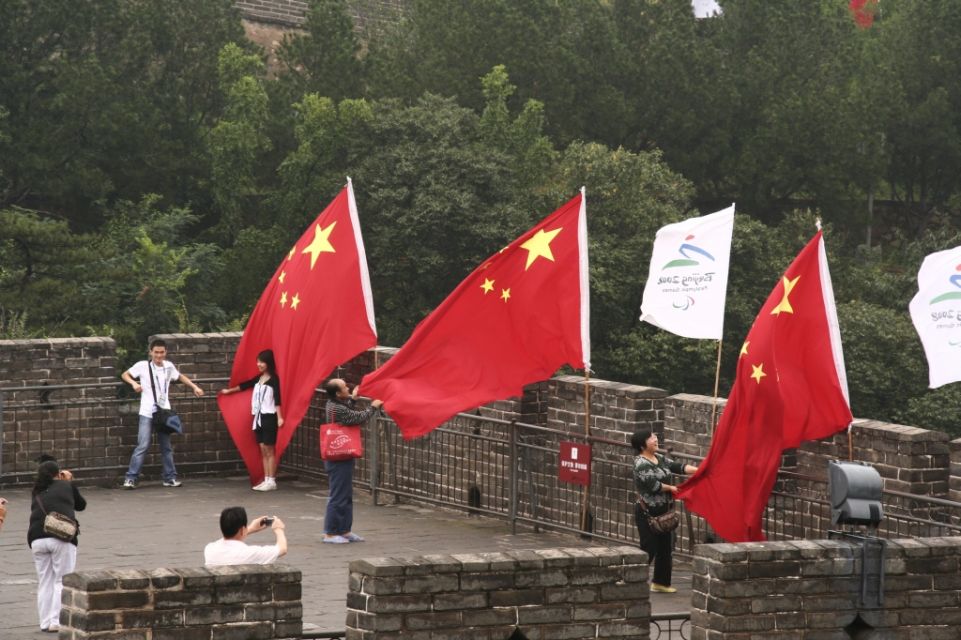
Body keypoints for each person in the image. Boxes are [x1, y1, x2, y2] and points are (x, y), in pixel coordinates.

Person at [121, 338, 204, 489]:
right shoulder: (142, 366)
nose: (159, 356)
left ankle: (169, 477)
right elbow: (125, 374)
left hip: (164, 411)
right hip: (147, 411)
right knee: (143, 445)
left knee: (166, 447)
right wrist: (134, 383)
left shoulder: (169, 366)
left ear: (166, 352)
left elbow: (180, 376)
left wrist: (194, 387)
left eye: (162, 352)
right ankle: (131, 478)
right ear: (150, 352)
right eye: (156, 352)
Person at [631, 429, 697, 594]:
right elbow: (653, 486)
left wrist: (699, 470)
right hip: (647, 513)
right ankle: (631, 580)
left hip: (663, 512)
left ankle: (660, 583)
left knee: (665, 549)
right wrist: (672, 488)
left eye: (654, 436)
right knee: (649, 548)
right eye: (651, 437)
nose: (655, 439)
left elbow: (677, 467)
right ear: (642, 445)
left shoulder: (658, 458)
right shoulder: (641, 463)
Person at [321, 378, 382, 544]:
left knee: (346, 495)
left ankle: (345, 530)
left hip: (343, 455)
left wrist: (353, 399)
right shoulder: (337, 408)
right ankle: (331, 533)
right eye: (344, 387)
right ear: (338, 393)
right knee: (338, 496)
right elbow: (357, 418)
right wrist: (374, 406)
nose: (348, 387)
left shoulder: (334, 404)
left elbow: (347, 411)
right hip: (337, 458)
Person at [28, 460, 86, 633]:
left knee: (45, 581)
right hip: (60, 536)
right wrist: (69, 482)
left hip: (37, 539)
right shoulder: (65, 486)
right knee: (61, 580)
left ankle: (45, 622)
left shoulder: (36, 490)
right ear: (58, 473)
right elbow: (81, 505)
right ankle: (56, 621)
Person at [219, 350, 284, 491]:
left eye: (262, 362)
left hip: (269, 416)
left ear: (269, 363)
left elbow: (278, 400)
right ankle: (266, 478)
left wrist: (279, 417)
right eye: (258, 361)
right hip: (258, 417)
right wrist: (229, 391)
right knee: (262, 449)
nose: (259, 364)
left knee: (269, 449)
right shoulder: (259, 378)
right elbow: (245, 385)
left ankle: (271, 480)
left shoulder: (274, 380)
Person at [204, 506, 287, 566]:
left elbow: (227, 538)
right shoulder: (250, 553)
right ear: (242, 530)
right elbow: (282, 549)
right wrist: (278, 529)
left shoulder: (209, 549)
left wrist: (249, 529)